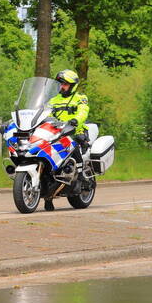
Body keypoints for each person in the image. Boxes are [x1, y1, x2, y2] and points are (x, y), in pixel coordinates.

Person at [47, 69, 90, 210]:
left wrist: (75, 120)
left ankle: (80, 179)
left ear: (72, 85)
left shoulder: (80, 98)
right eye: (60, 84)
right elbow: (44, 113)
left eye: (65, 84)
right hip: (57, 134)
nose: (62, 87)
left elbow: (83, 112)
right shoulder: (53, 100)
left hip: (76, 132)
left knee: (74, 147)